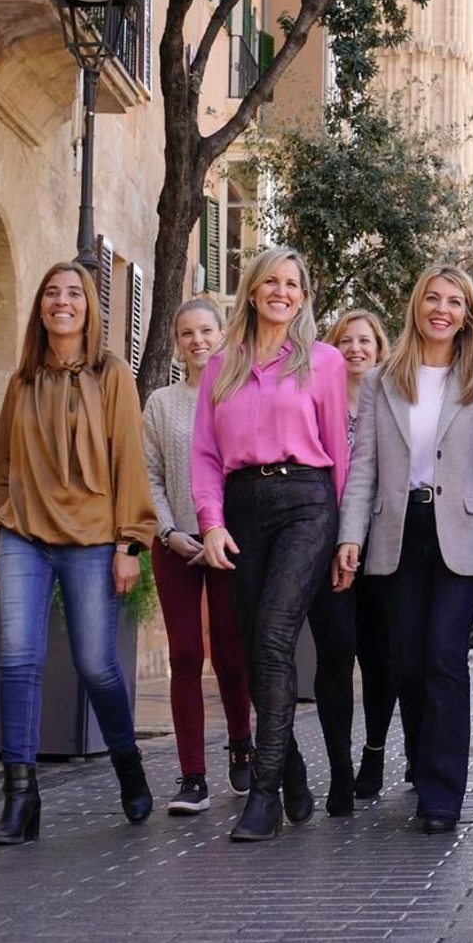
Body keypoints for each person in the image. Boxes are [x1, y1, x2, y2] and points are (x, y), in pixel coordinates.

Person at [0, 261, 157, 846]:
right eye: (52, 293)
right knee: (16, 659)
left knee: (95, 665)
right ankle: (20, 797)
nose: (62, 301)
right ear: (41, 308)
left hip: (93, 539)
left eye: (73, 292)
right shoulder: (22, 380)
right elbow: (0, 467)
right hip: (24, 534)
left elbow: (130, 458)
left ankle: (127, 763)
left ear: (89, 307)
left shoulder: (113, 376)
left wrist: (130, 543)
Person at [336, 266, 473, 835]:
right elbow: (363, 466)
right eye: (433, 299)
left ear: (468, 315)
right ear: (417, 305)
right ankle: (422, 758)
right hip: (398, 533)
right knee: (407, 664)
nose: (442, 309)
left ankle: (442, 796)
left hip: (463, 535)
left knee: (443, 659)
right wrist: (350, 536)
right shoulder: (383, 380)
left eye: (455, 302)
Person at [191, 246, 350, 842]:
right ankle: (293, 771)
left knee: (276, 634)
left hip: (307, 503)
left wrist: (345, 538)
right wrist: (210, 522)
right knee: (255, 645)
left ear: (303, 298)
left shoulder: (325, 363)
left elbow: (341, 453)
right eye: (272, 282)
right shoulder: (220, 366)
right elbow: (205, 455)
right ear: (253, 290)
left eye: (294, 284)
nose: (282, 291)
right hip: (242, 509)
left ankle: (263, 794)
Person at [143, 297, 253, 816]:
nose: (198, 341)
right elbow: (151, 476)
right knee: (185, 656)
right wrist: (168, 531)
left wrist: (221, 530)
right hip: (177, 545)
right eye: (186, 333)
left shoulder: (240, 395)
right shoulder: (162, 404)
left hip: (228, 542)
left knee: (232, 654)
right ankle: (192, 776)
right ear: (177, 341)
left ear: (223, 333)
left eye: (206, 330)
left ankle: (241, 743)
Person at [306, 309, 401, 814]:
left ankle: (375, 749)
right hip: (325, 542)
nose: (356, 348)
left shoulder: (391, 400)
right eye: (345, 340)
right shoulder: (316, 397)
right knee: (336, 654)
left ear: (380, 350)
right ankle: (339, 766)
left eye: (366, 341)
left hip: (382, 545)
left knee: (380, 658)